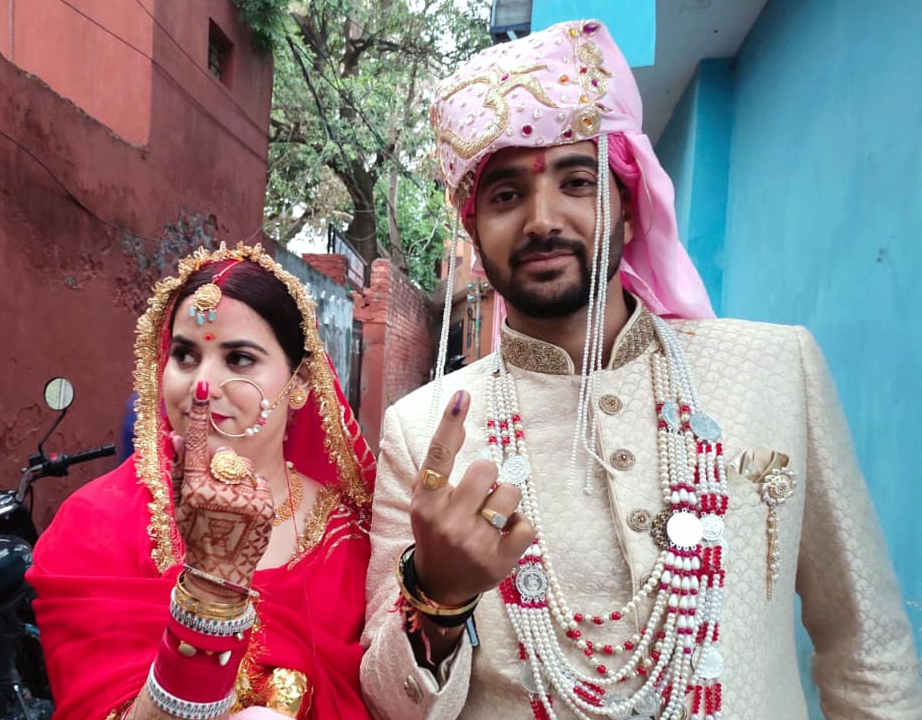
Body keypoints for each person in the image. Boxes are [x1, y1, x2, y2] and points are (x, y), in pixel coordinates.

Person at [360, 19, 922, 720]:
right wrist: (437, 596)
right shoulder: (421, 433)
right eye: (505, 196)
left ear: (629, 203)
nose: (542, 219)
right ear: (474, 232)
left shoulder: (779, 369)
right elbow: (387, 701)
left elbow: (866, 651)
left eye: (578, 180)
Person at [28, 243, 376, 720]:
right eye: (185, 355)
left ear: (299, 384)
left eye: (239, 359)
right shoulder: (95, 523)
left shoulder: (351, 538)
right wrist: (211, 600)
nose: (201, 385)